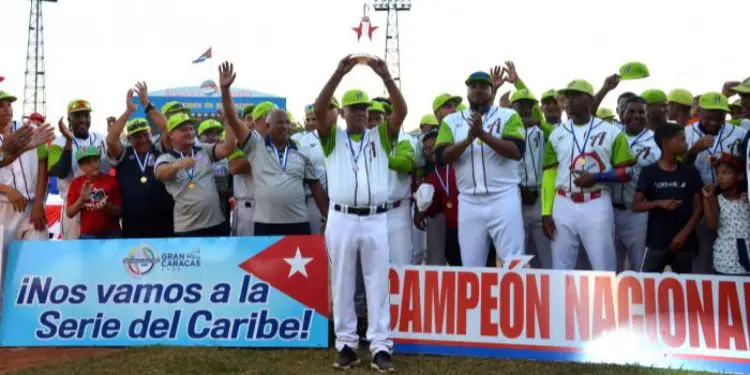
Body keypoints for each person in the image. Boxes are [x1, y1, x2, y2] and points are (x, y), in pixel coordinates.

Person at [314, 55, 406, 371]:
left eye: (364, 109)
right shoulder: (332, 138)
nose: (359, 114)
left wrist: (386, 77)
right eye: (353, 109)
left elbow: (401, 111)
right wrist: (338, 74)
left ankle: (381, 346)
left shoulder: (380, 136)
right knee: (342, 283)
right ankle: (346, 344)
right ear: (343, 113)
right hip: (341, 217)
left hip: (375, 218)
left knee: (378, 282)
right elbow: (318, 107)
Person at [541, 79, 635, 271]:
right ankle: (563, 302)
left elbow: (626, 171)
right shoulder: (557, 133)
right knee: (561, 267)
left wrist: (597, 177)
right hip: (563, 203)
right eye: (567, 97)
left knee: (603, 266)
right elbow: (550, 174)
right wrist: (545, 212)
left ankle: (608, 302)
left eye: (576, 96)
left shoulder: (611, 132)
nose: (569, 101)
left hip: (596, 201)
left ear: (590, 100)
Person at [435, 70, 526, 267]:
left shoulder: (508, 115)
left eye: (483, 86)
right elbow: (441, 157)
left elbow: (516, 150)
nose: (477, 90)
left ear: (491, 90)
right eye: (473, 86)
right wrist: (469, 139)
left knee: (513, 262)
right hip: (469, 200)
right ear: (467, 91)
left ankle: (510, 299)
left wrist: (483, 135)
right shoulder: (452, 121)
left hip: (503, 197)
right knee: (470, 264)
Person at [685, 92, 747, 273]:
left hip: (731, 200)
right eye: (708, 118)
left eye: (719, 118)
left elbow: (745, 167)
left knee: (733, 252)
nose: (713, 122)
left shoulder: (739, 134)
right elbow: (679, 168)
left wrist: (728, 159)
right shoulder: (687, 133)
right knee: (702, 254)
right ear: (699, 112)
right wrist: (694, 151)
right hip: (698, 200)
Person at [633, 124, 703, 273]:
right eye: (681, 139)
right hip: (656, 242)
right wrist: (659, 203)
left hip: (685, 243)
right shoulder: (648, 172)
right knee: (648, 286)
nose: (686, 143)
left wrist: (683, 234)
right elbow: (636, 206)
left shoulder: (690, 171)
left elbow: (700, 207)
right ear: (665, 143)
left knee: (685, 289)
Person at [106, 89, 174, 238]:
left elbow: (170, 131)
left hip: (164, 222)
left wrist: (146, 104)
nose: (143, 139)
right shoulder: (124, 153)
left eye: (145, 134)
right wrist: (128, 111)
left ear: (150, 132)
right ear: (129, 139)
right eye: (137, 136)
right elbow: (111, 140)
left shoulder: (159, 149)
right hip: (133, 224)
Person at [153, 111, 234, 237]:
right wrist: (178, 165)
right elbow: (160, 173)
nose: (189, 133)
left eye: (191, 129)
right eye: (183, 129)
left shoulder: (204, 150)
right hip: (188, 228)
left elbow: (228, 148)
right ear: (171, 135)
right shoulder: (166, 158)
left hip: (216, 224)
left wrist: (229, 122)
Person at [48, 99, 111, 239]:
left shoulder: (101, 138)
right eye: (77, 116)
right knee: (73, 253)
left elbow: (111, 163)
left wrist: (113, 135)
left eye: (85, 115)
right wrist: (69, 142)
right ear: (69, 119)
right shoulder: (59, 142)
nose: (82, 120)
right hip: (74, 206)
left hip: (100, 203)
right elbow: (61, 172)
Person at [612, 96, 660, 272]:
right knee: (611, 267)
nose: (636, 115)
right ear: (622, 114)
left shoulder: (656, 141)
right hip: (611, 210)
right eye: (631, 111)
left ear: (648, 115)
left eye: (641, 112)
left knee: (639, 265)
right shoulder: (612, 135)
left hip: (638, 213)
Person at [0, 93, 50, 252]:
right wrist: (6, 189)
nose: (6, 109)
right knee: (3, 267)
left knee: (37, 262)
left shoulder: (28, 129)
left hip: (31, 207)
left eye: (9, 104)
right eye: (1, 105)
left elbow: (43, 162)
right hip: (3, 208)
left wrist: (39, 202)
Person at [512, 89, 553, 269]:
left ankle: (551, 294)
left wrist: (534, 120)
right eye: (520, 105)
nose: (525, 109)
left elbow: (548, 127)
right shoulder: (507, 132)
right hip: (516, 197)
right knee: (518, 254)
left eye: (529, 105)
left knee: (547, 255)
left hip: (539, 197)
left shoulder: (542, 130)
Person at [415, 129, 461, 266]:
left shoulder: (460, 165)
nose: (431, 152)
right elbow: (432, 208)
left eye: (434, 146)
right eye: (427, 149)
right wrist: (421, 211)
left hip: (470, 226)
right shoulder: (431, 177)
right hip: (451, 232)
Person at [291, 103, 335, 235]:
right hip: (312, 200)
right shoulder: (300, 141)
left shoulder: (340, 135)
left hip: (339, 201)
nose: (311, 123)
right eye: (308, 120)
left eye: (314, 119)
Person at [703, 153, 750, 275]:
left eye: (726, 173)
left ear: (740, 176)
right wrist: (710, 201)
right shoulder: (715, 199)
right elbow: (712, 226)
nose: (720, 177)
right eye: (718, 173)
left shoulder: (747, 199)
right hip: (724, 261)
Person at [66, 146, 122, 239]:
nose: (93, 165)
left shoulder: (111, 181)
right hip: (88, 234)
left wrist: (107, 206)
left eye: (95, 160)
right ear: (80, 166)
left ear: (100, 161)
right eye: (87, 163)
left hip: (112, 233)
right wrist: (82, 199)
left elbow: (120, 211)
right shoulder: (76, 183)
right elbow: (69, 213)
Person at [198, 118, 232, 234]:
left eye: (217, 133)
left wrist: (228, 191)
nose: (213, 137)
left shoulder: (229, 157)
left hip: (222, 214)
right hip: (197, 217)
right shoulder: (191, 156)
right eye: (208, 133)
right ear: (199, 137)